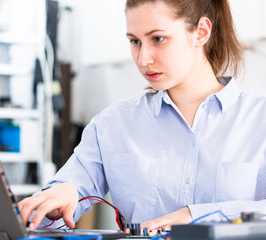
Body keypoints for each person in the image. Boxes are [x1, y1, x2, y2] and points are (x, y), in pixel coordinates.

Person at [18, 0, 266, 232]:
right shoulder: (112, 125)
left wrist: (196, 216)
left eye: (158, 39)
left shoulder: (260, 120)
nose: (143, 58)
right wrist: (60, 197)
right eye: (135, 41)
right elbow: (70, 188)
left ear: (201, 32)